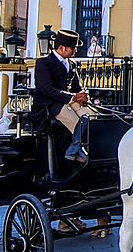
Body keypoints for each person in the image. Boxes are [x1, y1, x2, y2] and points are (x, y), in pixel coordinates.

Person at [31, 29, 98, 163]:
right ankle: (76, 152)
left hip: (69, 101)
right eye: (73, 48)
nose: (75, 51)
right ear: (62, 48)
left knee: (92, 116)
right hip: (49, 104)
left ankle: (74, 149)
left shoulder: (72, 64)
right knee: (76, 122)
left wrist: (84, 96)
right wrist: (73, 98)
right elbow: (46, 89)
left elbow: (77, 87)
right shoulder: (44, 63)